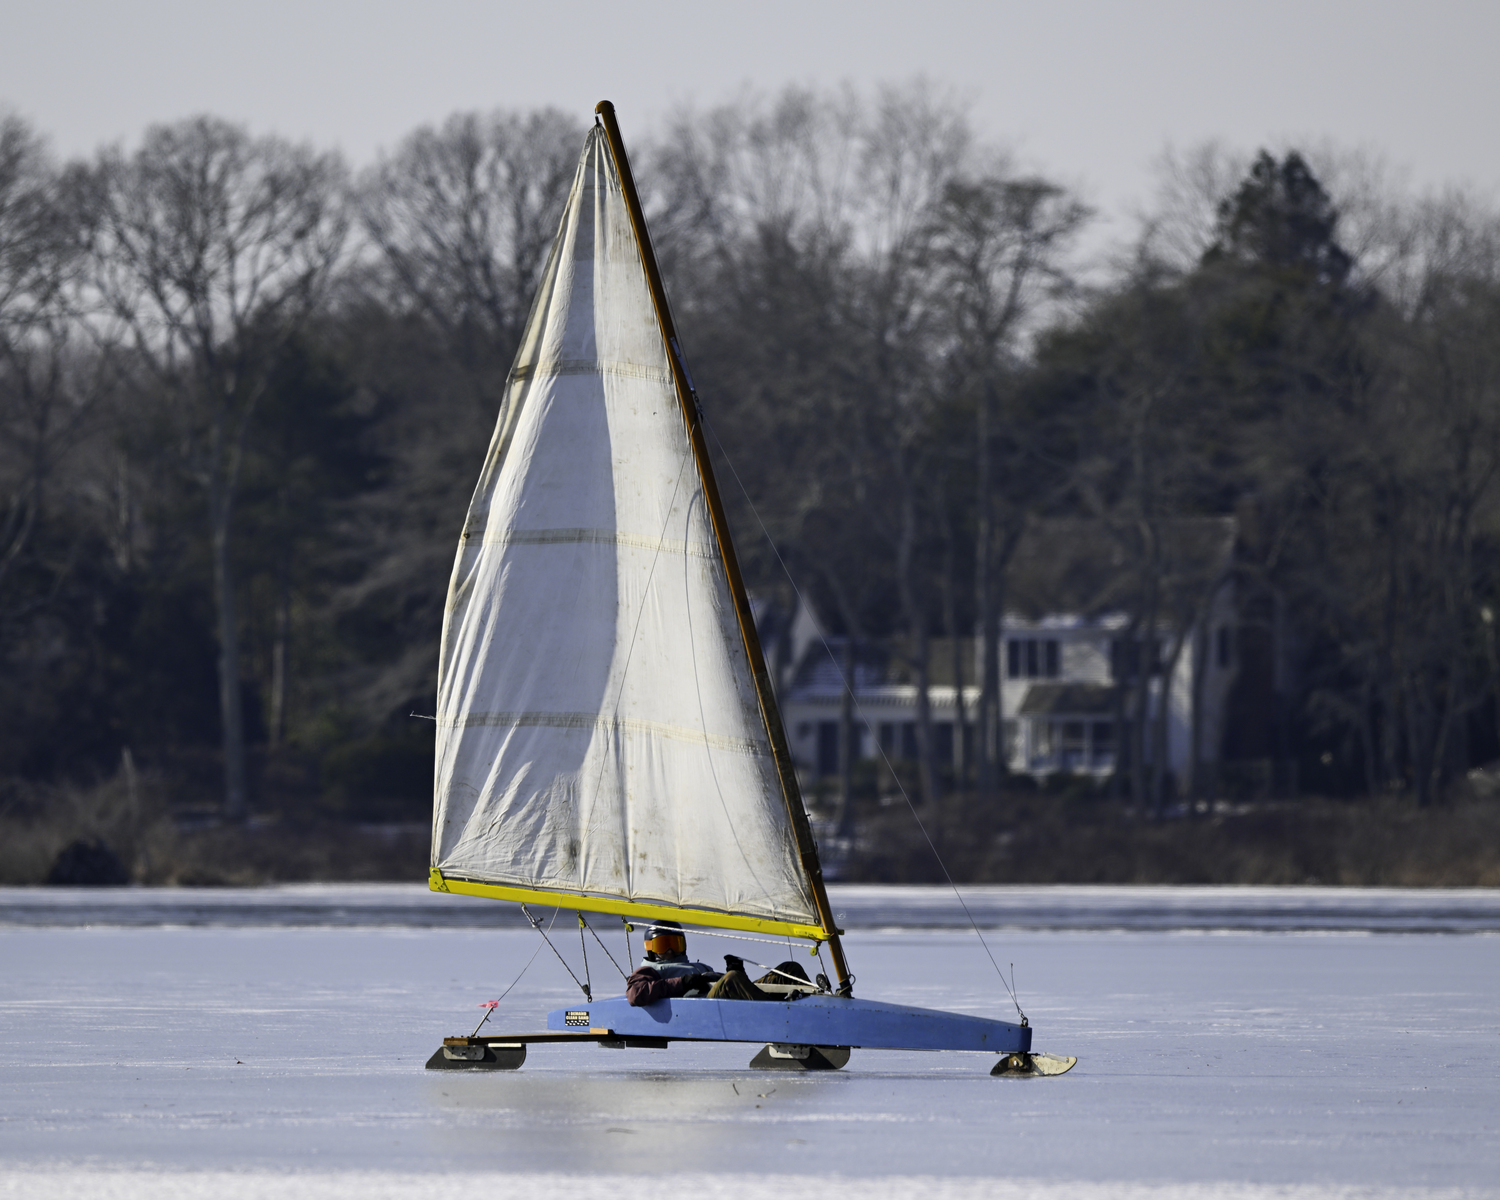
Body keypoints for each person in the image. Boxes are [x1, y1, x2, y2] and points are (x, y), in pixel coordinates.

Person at [624, 922, 813, 1007]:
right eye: (663, 945)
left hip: (724, 1000)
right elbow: (635, 995)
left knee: (789, 969)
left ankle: (815, 1005)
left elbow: (732, 989)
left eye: (675, 944)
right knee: (732, 978)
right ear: (650, 948)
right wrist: (683, 982)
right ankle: (782, 1014)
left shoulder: (698, 967)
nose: (671, 951)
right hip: (702, 1007)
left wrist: (737, 972)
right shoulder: (648, 970)